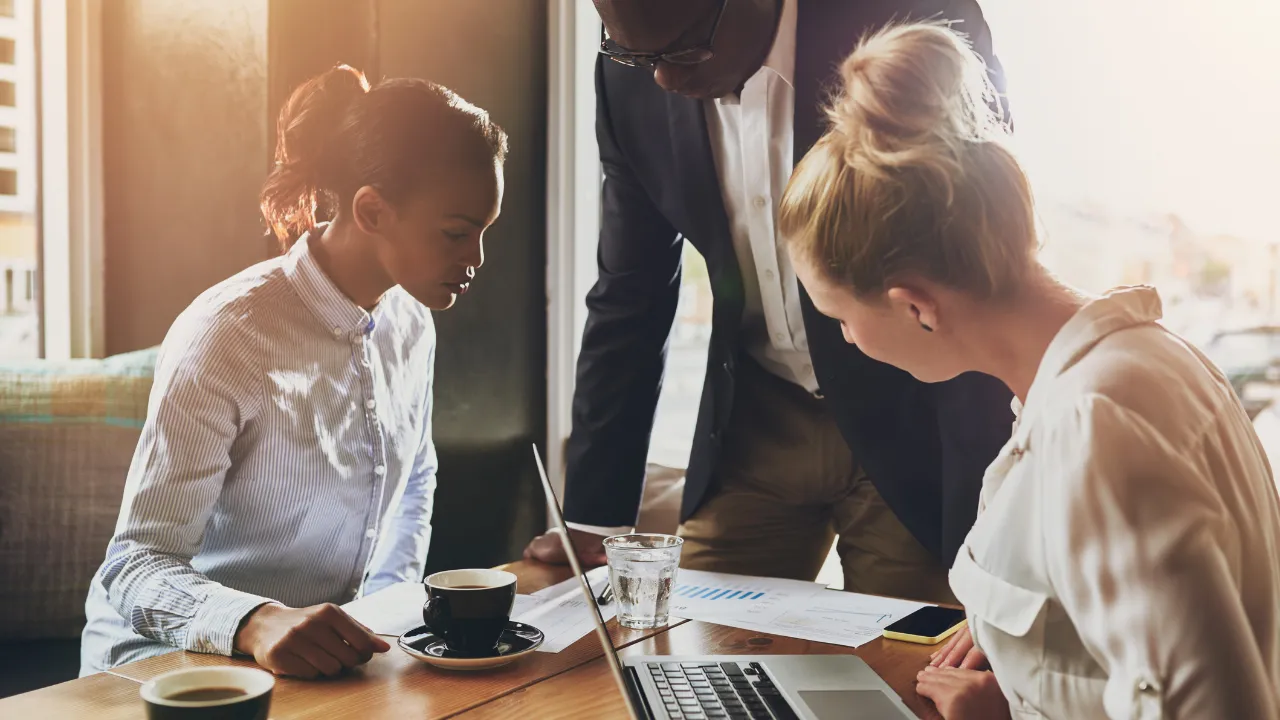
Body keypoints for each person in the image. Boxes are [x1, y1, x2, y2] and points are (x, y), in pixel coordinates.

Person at [779, 21, 1280, 719]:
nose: (849, 342)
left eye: (841, 318)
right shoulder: (1136, 365)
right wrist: (1030, 668)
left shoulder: (1097, 424)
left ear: (916, 308)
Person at [525, 0, 1014, 604]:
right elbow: (632, 288)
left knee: (907, 675)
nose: (662, 79)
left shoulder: (915, 15)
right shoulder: (630, 75)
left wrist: (988, 527)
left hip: (913, 418)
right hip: (755, 417)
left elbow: (981, 260)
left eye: (681, 49)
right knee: (690, 656)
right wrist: (595, 517)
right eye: (632, 51)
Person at [80, 65, 507, 679]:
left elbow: (415, 477)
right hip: (164, 667)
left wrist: (384, 617)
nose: (476, 259)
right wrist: (255, 621)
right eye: (457, 233)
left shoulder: (412, 321)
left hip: (321, 668)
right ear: (372, 210)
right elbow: (135, 567)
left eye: (484, 232)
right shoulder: (230, 331)